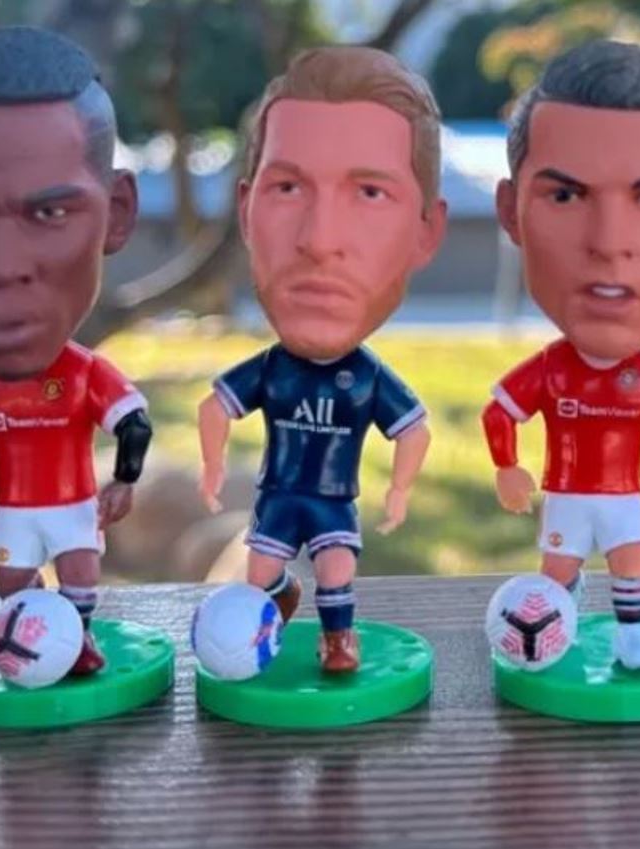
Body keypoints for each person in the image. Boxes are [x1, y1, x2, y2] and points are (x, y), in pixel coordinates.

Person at [196, 46, 445, 673]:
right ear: (246, 212)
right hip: (279, 496)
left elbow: (413, 427)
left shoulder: (366, 377)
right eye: (287, 187)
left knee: (336, 568)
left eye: (369, 192)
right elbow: (213, 405)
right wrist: (213, 465)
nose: (318, 240)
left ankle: (339, 639)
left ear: (427, 231)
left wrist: (398, 490)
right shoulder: (271, 369)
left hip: (334, 499)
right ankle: (264, 617)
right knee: (260, 571)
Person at [0, 27, 152, 676]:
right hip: (16, 514)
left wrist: (125, 479)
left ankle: (75, 640)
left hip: (72, 509)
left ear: (117, 213)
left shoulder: (85, 375)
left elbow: (133, 421)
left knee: (79, 578)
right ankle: (39, 639)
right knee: (13, 587)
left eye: (48, 214)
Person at [481, 40, 640, 670]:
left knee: (631, 562)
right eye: (566, 197)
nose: (610, 244)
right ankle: (551, 634)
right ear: (510, 211)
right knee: (558, 568)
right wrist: (507, 466)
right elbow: (500, 410)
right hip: (566, 492)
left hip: (621, 494)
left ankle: (634, 639)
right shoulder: (550, 370)